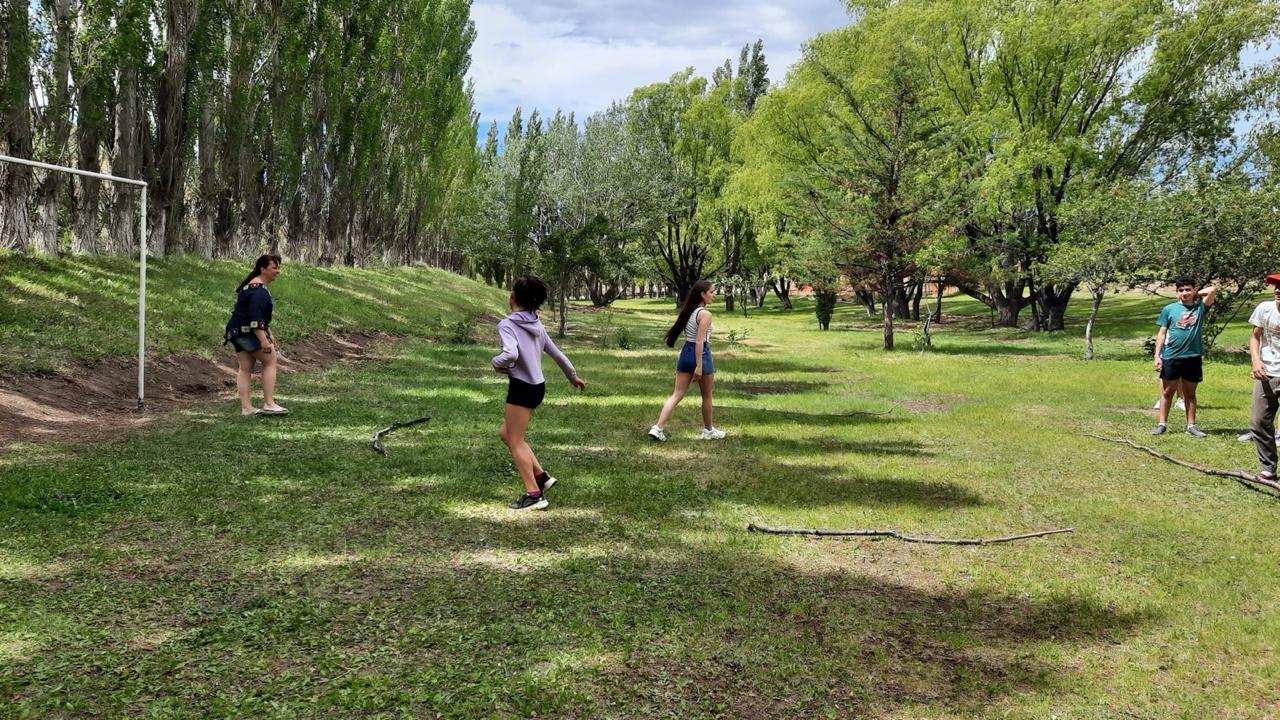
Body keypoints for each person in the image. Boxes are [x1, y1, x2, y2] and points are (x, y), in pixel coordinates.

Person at [492, 276, 587, 511]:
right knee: (506, 434)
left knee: (515, 441)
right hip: (538, 387)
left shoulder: (507, 324)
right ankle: (542, 478)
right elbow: (557, 353)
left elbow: (510, 354)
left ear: (512, 296)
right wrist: (572, 376)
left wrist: (496, 362)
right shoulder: (537, 324)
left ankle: (534, 494)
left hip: (522, 387)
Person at [648, 280, 726, 442]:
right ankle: (709, 431)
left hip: (685, 353)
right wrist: (699, 366)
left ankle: (657, 428)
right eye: (711, 292)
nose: (714, 295)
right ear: (702, 294)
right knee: (707, 396)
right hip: (701, 354)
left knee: (677, 394)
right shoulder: (705, 314)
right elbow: (699, 341)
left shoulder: (689, 311)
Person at [1152, 276, 1216, 436]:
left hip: (1193, 356)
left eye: (1188, 289)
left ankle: (1191, 426)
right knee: (1167, 392)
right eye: (1181, 290)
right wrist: (1157, 356)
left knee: (1190, 394)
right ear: (1176, 293)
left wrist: (1195, 295)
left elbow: (1212, 290)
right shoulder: (1169, 309)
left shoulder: (1200, 308)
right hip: (1171, 356)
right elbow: (1161, 333)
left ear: (1194, 290)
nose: (1184, 293)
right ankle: (1161, 424)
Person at [224, 254, 288, 416]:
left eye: (278, 268)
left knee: (245, 368)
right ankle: (269, 403)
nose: (278, 271)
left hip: (235, 331)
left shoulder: (252, 287)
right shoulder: (259, 291)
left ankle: (246, 408)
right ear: (263, 269)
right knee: (270, 360)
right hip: (247, 331)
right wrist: (264, 341)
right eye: (274, 268)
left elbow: (256, 316)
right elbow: (255, 318)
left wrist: (269, 333)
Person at [1247, 274, 1280, 481]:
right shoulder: (1265, 308)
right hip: (1267, 373)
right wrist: (1256, 361)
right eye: (1276, 286)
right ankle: (1268, 467)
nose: (1278, 290)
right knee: (1258, 421)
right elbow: (1255, 336)